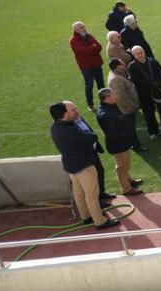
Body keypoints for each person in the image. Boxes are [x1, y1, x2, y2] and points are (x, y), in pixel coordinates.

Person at [50, 101, 119, 230]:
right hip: (84, 165)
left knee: (79, 193)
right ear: (65, 114)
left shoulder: (54, 127)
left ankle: (86, 216)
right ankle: (100, 221)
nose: (76, 112)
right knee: (91, 195)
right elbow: (91, 137)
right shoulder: (70, 129)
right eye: (72, 110)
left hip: (71, 165)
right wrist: (90, 135)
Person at [96, 88, 144, 197]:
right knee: (122, 167)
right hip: (118, 145)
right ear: (107, 98)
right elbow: (113, 133)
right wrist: (127, 136)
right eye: (113, 95)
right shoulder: (105, 114)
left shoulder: (109, 107)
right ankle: (126, 189)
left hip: (121, 142)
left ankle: (129, 180)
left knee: (124, 165)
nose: (116, 96)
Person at [128, 45, 161, 139]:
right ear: (133, 55)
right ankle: (153, 132)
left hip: (159, 91)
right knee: (149, 114)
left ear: (144, 52)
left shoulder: (152, 61)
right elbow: (136, 80)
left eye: (141, 52)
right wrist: (150, 85)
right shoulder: (132, 67)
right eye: (137, 54)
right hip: (145, 95)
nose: (140, 55)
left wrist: (158, 83)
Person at [107, 58, 146, 153]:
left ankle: (135, 143)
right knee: (130, 128)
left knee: (130, 127)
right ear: (117, 66)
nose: (124, 65)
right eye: (122, 64)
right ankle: (136, 145)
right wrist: (132, 106)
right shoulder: (116, 79)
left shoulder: (118, 74)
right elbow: (121, 96)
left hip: (127, 107)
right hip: (126, 108)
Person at [69, 21, 105, 111]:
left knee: (101, 84)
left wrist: (91, 48)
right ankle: (90, 105)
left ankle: (105, 101)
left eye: (84, 26)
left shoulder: (89, 36)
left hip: (96, 63)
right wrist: (93, 47)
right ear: (76, 30)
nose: (84, 29)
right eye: (81, 27)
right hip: (86, 67)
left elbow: (99, 47)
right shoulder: (73, 40)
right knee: (89, 85)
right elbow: (81, 51)